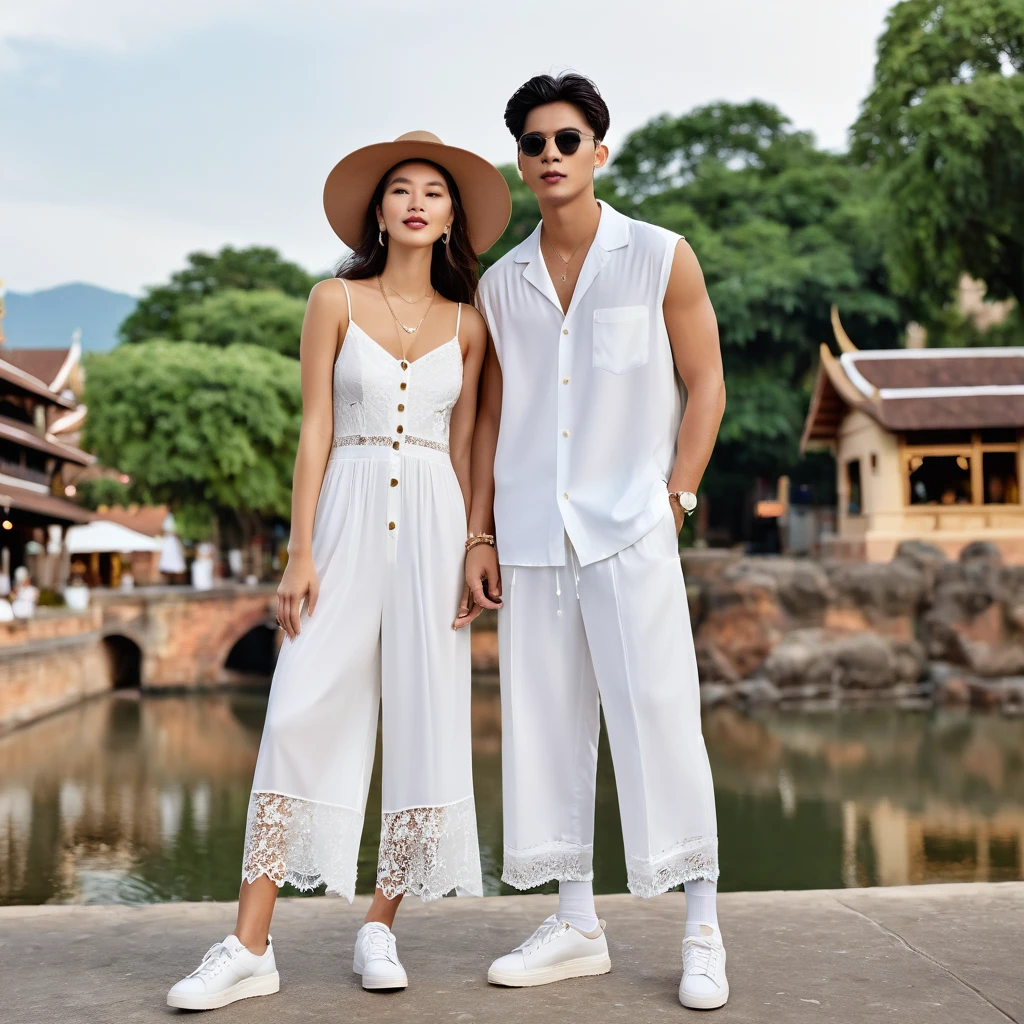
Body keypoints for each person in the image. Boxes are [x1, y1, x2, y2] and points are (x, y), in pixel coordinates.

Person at [167, 131, 511, 1011]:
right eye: (401, 189)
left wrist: (479, 541)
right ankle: (250, 945)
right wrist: (299, 548)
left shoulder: (472, 324)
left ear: (450, 218)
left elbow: (474, 442)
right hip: (348, 509)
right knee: (297, 711)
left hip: (436, 520)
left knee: (426, 716)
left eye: (434, 191)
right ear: (379, 209)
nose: (417, 202)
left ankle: (381, 925)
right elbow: (314, 429)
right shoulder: (333, 299)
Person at [458, 73, 729, 1009]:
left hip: (631, 529)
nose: (549, 157)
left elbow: (707, 387)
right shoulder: (501, 284)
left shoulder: (660, 257)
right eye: (533, 143)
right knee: (542, 722)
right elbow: (491, 419)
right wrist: (479, 532)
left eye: (567, 140)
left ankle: (702, 930)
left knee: (660, 718)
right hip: (531, 534)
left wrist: (677, 499)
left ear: (599, 152)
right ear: (520, 160)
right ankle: (575, 921)